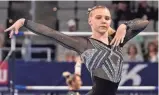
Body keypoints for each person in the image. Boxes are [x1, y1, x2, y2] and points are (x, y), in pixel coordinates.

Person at [4, 5, 149, 95]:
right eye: (98, 17)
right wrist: (24, 22)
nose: (103, 20)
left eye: (107, 18)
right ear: (90, 21)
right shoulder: (83, 44)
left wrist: (124, 26)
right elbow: (52, 33)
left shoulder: (117, 41)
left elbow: (144, 23)